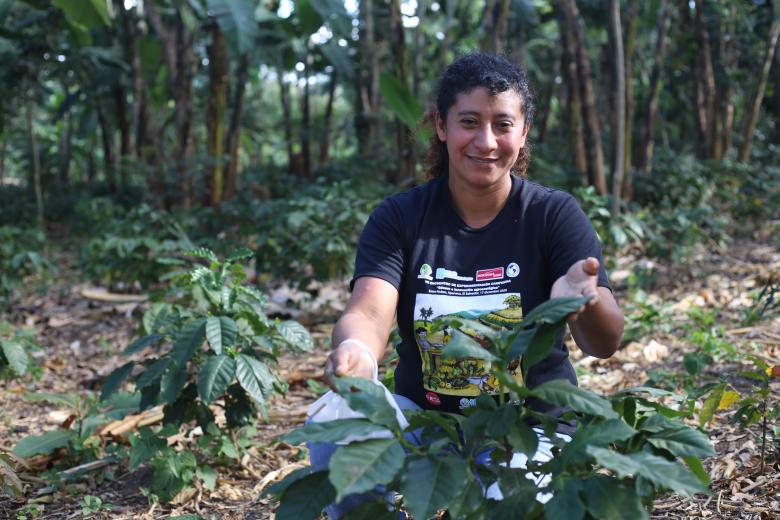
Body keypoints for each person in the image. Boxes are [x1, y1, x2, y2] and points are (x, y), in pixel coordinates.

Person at [316, 52, 624, 517]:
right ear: (441, 126)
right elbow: (369, 310)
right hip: (426, 420)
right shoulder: (400, 218)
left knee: (509, 507)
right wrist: (356, 351)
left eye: (503, 124)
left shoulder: (553, 215)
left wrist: (585, 301)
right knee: (337, 430)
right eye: (469, 121)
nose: (486, 141)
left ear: (523, 134)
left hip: (529, 424)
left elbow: (606, 342)